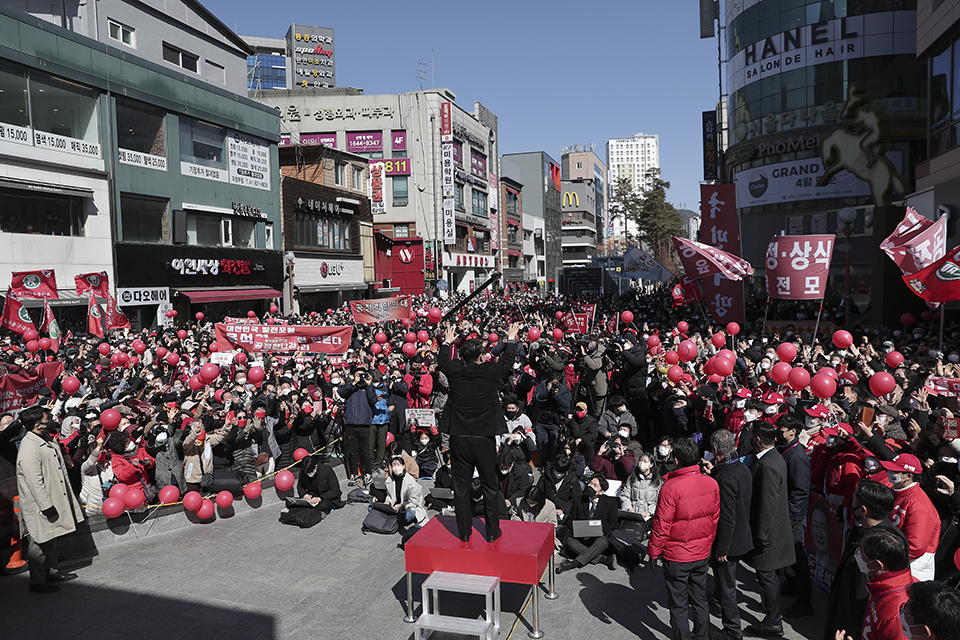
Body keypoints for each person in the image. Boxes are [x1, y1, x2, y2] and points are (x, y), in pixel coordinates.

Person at [438, 322, 520, 542]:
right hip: (483, 439)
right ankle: (492, 532)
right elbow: (508, 362)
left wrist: (447, 342)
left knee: (461, 488)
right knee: (490, 486)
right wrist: (511, 339)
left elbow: (443, 361)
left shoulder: (455, 370)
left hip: (459, 439)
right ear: (482, 356)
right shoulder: (490, 371)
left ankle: (464, 533)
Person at [646, 437, 720, 640]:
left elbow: (662, 525)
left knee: (678, 604)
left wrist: (653, 552)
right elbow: (714, 519)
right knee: (700, 599)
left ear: (676, 460)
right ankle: (702, 635)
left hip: (677, 556)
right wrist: (708, 544)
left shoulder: (671, 487)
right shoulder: (711, 483)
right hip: (701, 553)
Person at [823, 480, 907, 640]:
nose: (849, 504)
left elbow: (862, 593)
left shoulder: (874, 546)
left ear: (863, 510)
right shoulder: (873, 531)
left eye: (852, 500)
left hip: (852, 622)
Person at [15, 406, 84, 593]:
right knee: (39, 541)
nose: (52, 419)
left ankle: (52, 571)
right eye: (48, 417)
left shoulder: (44, 439)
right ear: (38, 424)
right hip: (39, 504)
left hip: (51, 498)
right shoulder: (29, 448)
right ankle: (38, 581)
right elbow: (34, 481)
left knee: (50, 537)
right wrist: (47, 506)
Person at [744, 422, 796, 638]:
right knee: (769, 576)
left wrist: (760, 535)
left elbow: (767, 503)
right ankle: (770, 611)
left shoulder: (768, 465)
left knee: (766, 576)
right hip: (773, 530)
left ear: (757, 440)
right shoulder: (773, 458)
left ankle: (773, 621)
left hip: (769, 532)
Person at [706, 427, 753, 640]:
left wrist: (722, 548)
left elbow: (727, 517)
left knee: (727, 587)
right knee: (724, 584)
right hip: (741, 536)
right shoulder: (740, 468)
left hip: (729, 542)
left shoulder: (725, 478)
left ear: (715, 449)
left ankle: (733, 631)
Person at [835, 528, 914, 640]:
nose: (857, 555)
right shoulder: (885, 586)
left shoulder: (897, 616)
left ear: (877, 565)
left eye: (861, 552)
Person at [880, 453, 941, 581]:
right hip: (894, 561)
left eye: (895, 471)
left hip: (911, 571)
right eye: (890, 469)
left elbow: (915, 548)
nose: (890, 473)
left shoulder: (919, 506)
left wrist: (885, 557)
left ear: (909, 476)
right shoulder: (897, 492)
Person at [776, 413, 813, 618]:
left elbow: (800, 490)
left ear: (793, 431)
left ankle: (805, 600)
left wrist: (791, 515)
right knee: (788, 555)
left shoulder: (797, 456)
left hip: (792, 515)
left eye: (782, 428)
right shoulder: (786, 450)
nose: (779, 431)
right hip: (786, 512)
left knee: (797, 557)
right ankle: (792, 583)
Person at [555, 474, 618, 573]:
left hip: (599, 537)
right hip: (581, 537)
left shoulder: (610, 502)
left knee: (603, 542)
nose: (590, 486)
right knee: (569, 542)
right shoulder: (579, 500)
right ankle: (603, 559)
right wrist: (577, 529)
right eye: (590, 483)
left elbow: (613, 524)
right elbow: (570, 519)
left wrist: (599, 529)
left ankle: (573, 564)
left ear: (601, 492)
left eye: (595, 485)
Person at [338, 367, 379, 487]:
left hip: (364, 423)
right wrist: (354, 383)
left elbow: (373, 400)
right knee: (353, 452)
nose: (360, 377)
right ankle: (354, 474)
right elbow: (341, 393)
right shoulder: (351, 386)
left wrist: (369, 385)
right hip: (351, 423)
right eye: (358, 375)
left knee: (365, 451)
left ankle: (368, 474)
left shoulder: (367, 387)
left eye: (362, 375)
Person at [279, 455, 342, 528]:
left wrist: (320, 498)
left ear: (316, 466)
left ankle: (308, 512)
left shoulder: (327, 471)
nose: (309, 474)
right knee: (289, 501)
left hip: (325, 498)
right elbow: (300, 487)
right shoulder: (303, 472)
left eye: (311, 471)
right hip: (311, 498)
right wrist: (304, 495)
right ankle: (304, 511)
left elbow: (335, 491)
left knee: (324, 504)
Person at [382, 454, 428, 529]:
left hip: (408, 507)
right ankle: (395, 519)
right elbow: (389, 495)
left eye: (398, 464)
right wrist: (388, 501)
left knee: (408, 515)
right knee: (371, 508)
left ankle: (394, 519)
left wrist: (401, 505)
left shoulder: (410, 482)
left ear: (403, 466)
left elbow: (414, 502)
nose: (396, 467)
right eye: (394, 465)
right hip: (394, 507)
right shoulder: (389, 480)